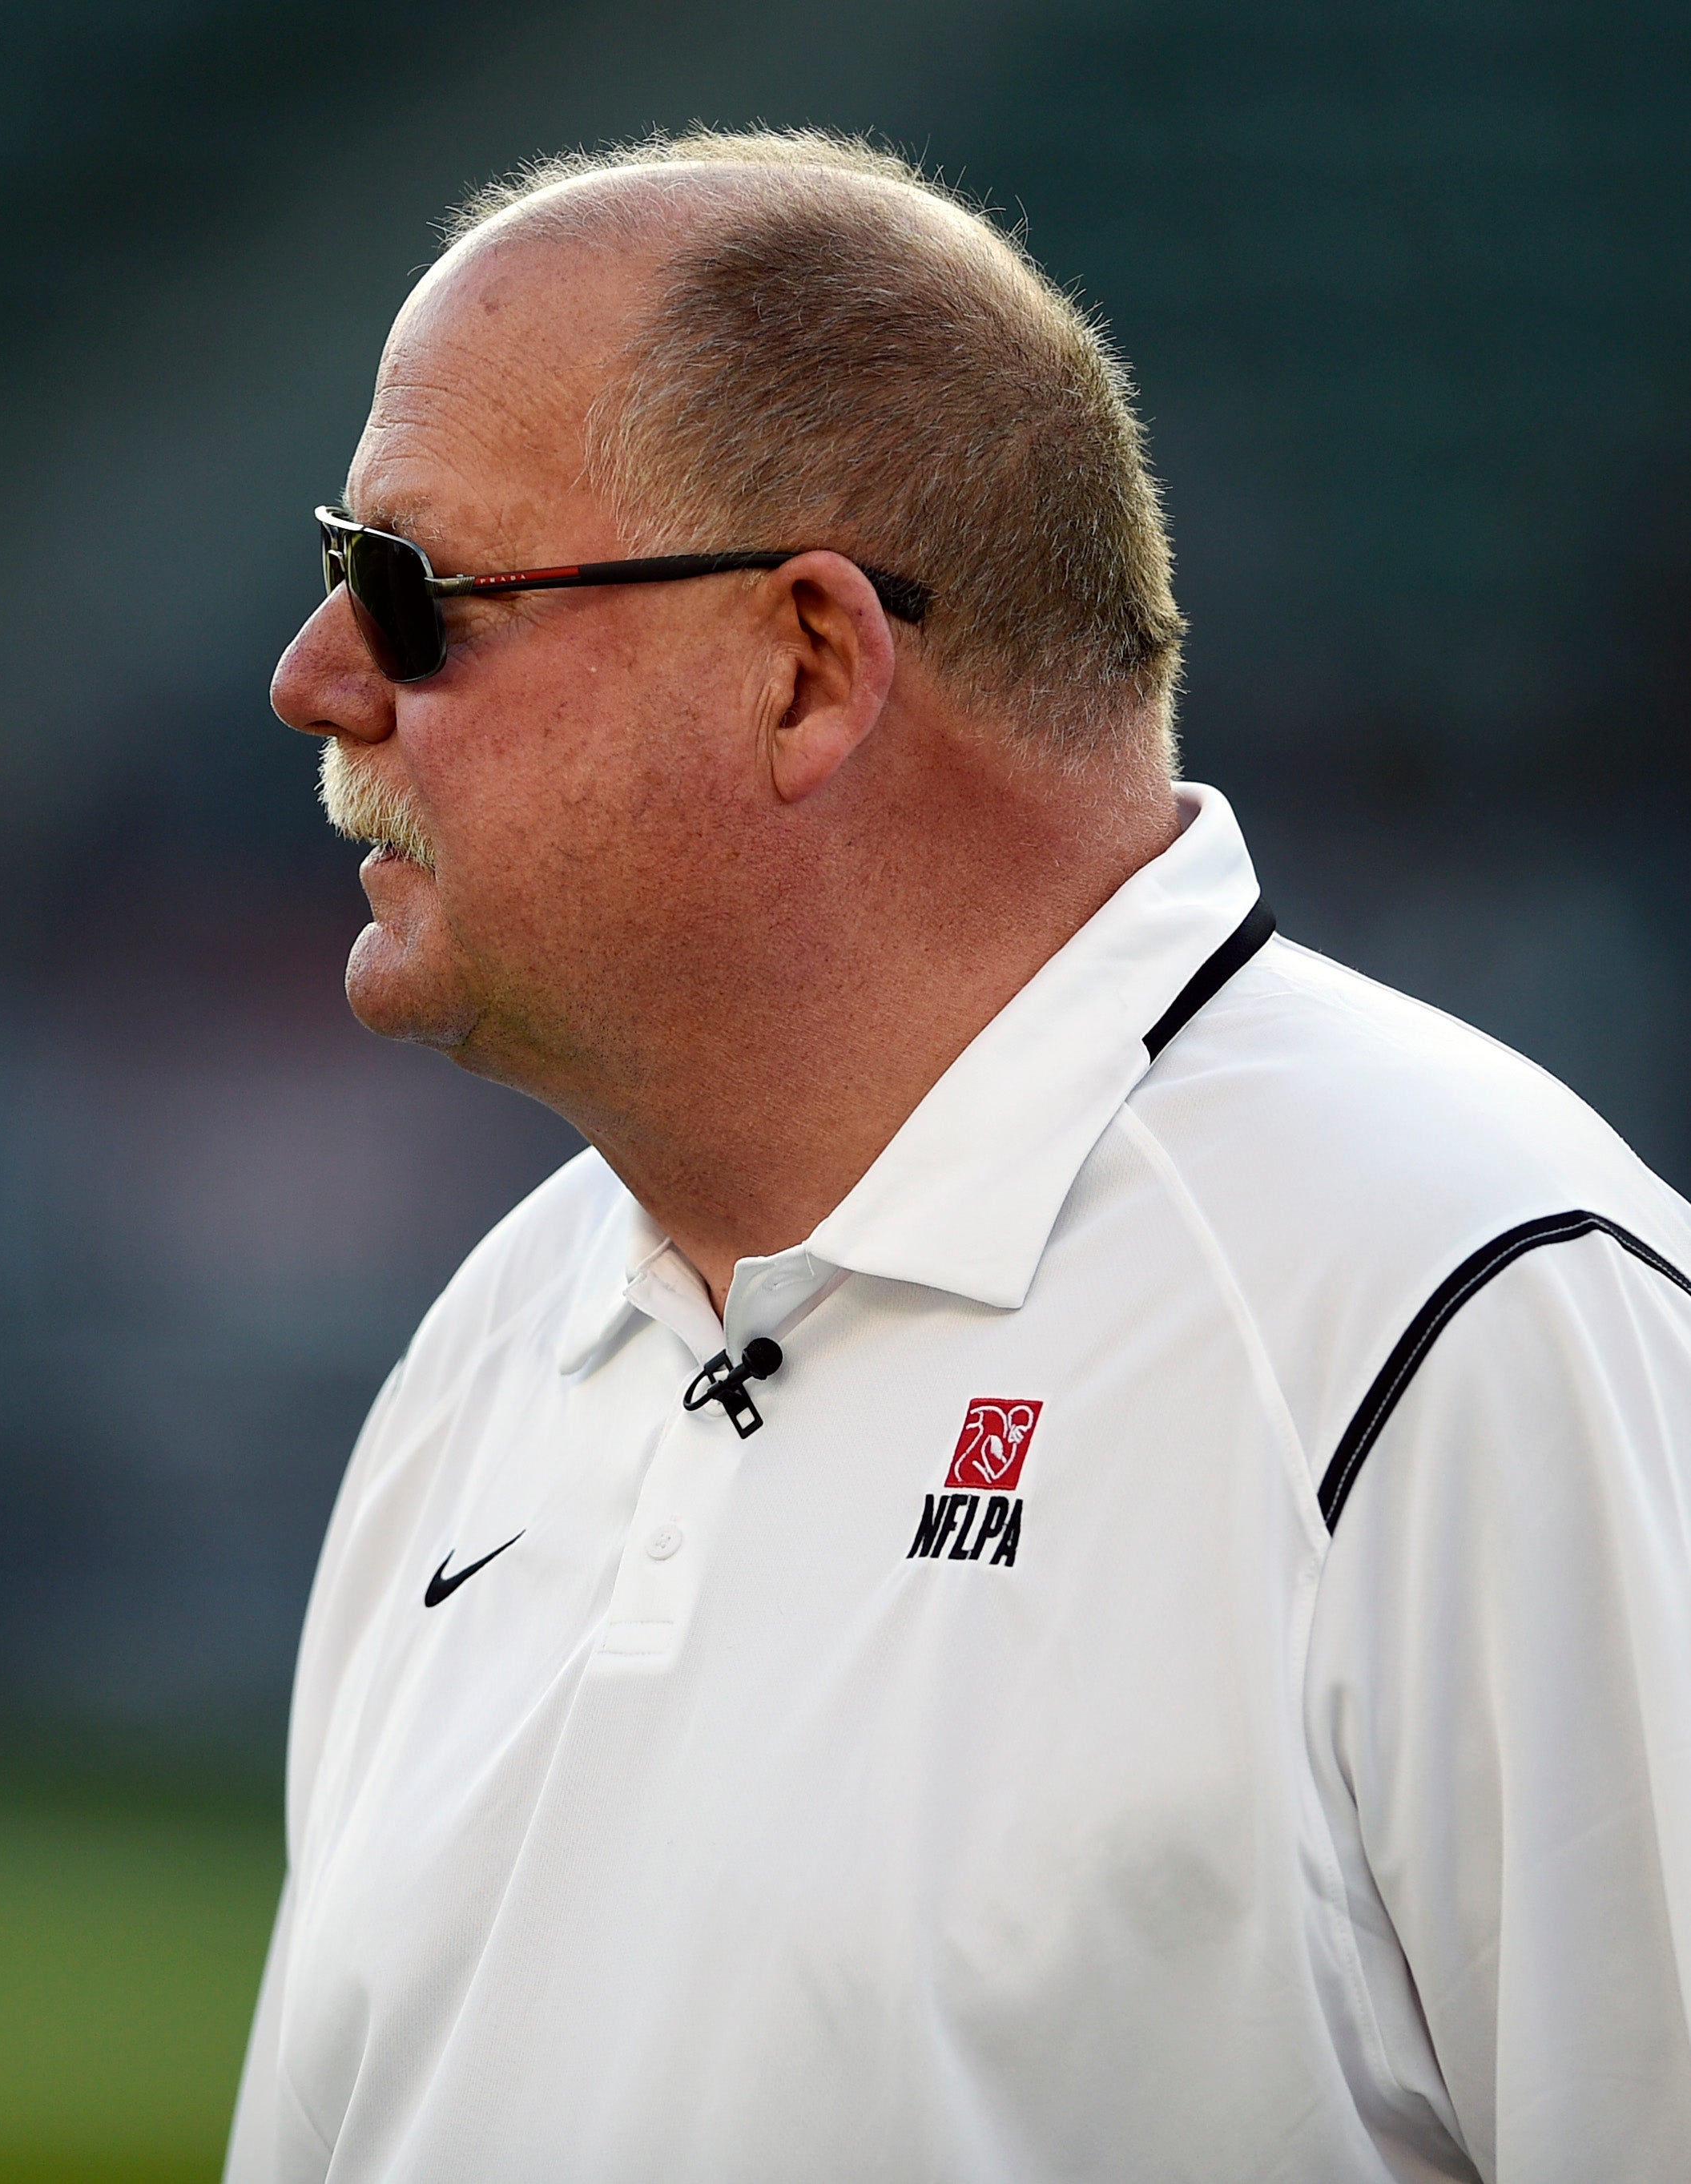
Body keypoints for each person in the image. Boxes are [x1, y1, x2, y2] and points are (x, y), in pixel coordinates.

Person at [228, 129, 1691, 2182]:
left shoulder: (1466, 1311)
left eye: (413, 589)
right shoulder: (494, 1348)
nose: (317, 680)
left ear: (810, 663)